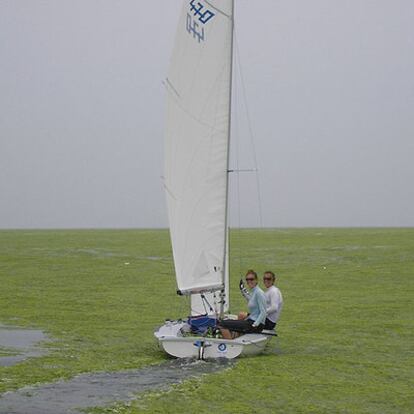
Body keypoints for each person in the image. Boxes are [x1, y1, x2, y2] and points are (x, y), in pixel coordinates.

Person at [218, 270, 266, 339]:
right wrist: (242, 290)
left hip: (255, 324)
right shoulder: (254, 291)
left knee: (222, 324)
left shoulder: (259, 293)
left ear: (256, 280)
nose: (249, 281)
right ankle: (233, 339)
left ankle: (231, 346)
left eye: (251, 279)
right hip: (251, 321)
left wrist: (255, 324)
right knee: (233, 321)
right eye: (247, 279)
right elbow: (250, 299)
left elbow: (264, 312)